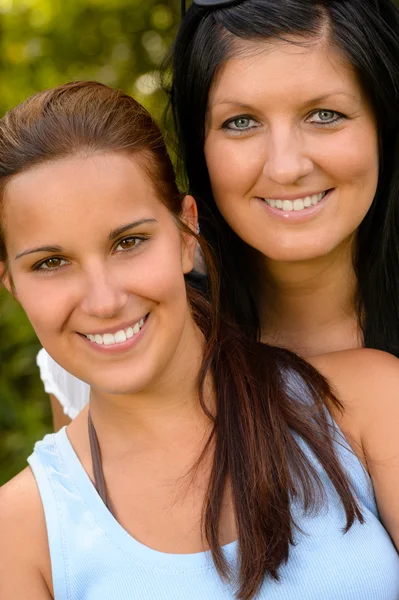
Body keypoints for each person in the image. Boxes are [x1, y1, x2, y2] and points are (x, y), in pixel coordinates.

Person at [0, 81, 398, 600]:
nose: (102, 301)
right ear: (10, 282)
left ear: (186, 234)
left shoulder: (363, 402)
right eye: (50, 263)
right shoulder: (21, 534)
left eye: (129, 242)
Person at [37, 0, 399, 428]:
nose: (285, 166)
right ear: (200, 146)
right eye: (241, 122)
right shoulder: (114, 346)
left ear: (384, 125)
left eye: (325, 115)